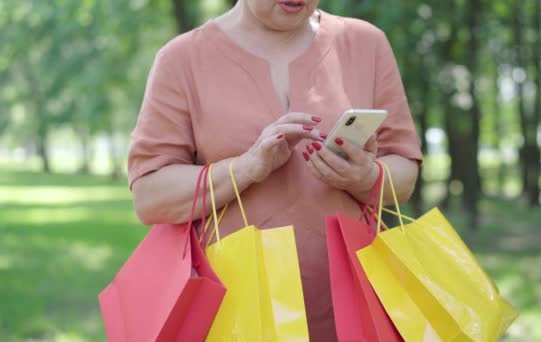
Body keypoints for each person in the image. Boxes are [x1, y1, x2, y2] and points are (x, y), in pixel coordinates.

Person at [127, 0, 422, 339]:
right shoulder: (181, 58)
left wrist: (366, 178)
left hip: (358, 310)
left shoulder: (366, 44)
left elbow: (404, 173)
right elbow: (149, 197)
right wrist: (246, 167)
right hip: (236, 316)